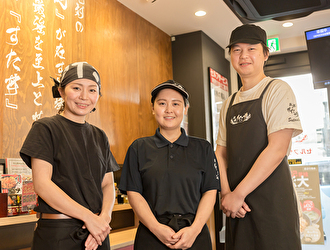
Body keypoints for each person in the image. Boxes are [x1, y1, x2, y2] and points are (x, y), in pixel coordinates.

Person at [215, 24, 303, 250]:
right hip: (237, 207)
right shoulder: (229, 102)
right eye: (236, 50)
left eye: (251, 49)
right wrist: (227, 194)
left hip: (272, 204)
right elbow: (220, 152)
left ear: (265, 54)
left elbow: (277, 149)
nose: (243, 55)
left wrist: (238, 194)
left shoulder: (277, 90)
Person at [20, 62, 120, 250]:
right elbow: (42, 184)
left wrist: (103, 220)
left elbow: (107, 184)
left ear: (98, 95)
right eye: (76, 88)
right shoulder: (45, 128)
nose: (84, 97)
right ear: (62, 91)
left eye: (92, 90)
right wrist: (89, 218)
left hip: (97, 234)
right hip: (58, 233)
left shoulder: (100, 136)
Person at [119, 80, 220, 250]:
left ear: (185, 109)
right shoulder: (139, 148)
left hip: (194, 235)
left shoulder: (203, 148)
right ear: (153, 108)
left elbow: (210, 191)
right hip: (151, 237)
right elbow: (134, 193)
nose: (169, 110)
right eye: (162, 103)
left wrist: (194, 230)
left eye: (176, 104)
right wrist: (156, 228)